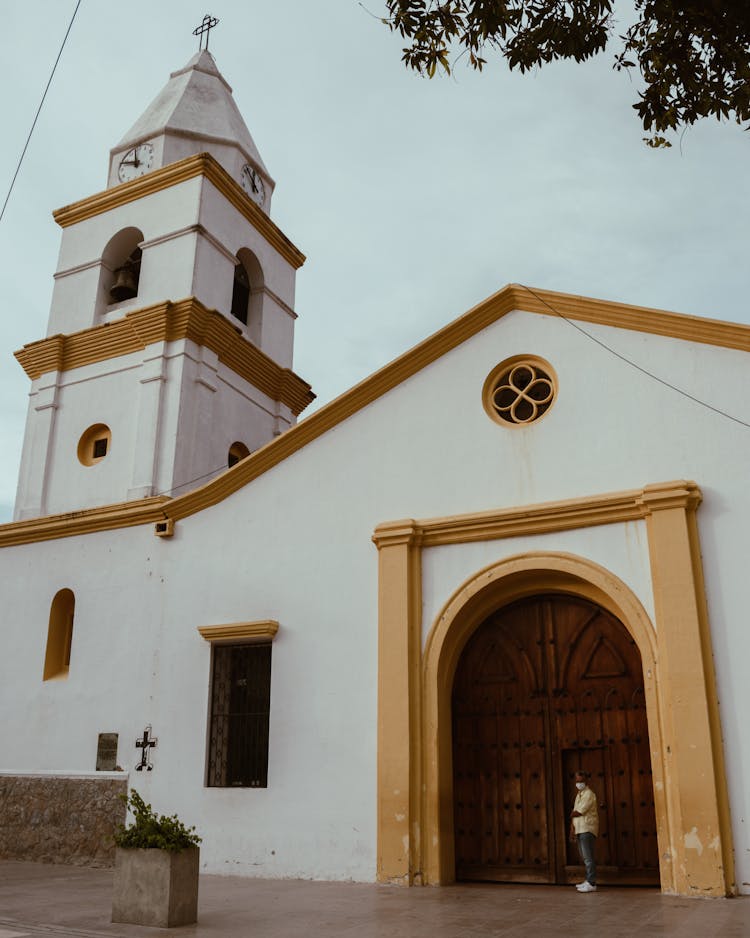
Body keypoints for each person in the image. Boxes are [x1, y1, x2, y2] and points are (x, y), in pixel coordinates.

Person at [570, 770, 598, 892]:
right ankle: (588, 880)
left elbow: (579, 811)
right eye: (577, 781)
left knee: (588, 857)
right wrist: (572, 828)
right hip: (580, 828)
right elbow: (575, 814)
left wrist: (571, 814)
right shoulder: (579, 794)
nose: (579, 783)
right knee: (584, 856)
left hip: (587, 828)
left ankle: (592, 883)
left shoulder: (589, 794)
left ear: (586, 781)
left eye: (581, 781)